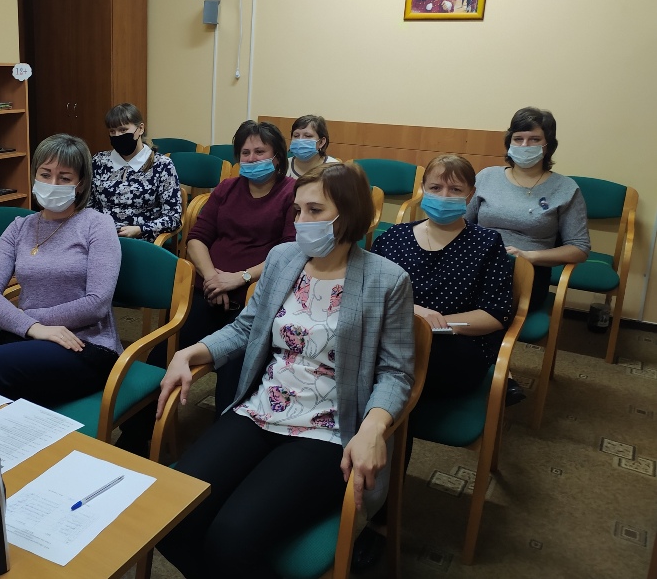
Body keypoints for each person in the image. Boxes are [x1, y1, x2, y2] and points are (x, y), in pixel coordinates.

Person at [155, 162, 415, 579]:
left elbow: (396, 372)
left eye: (315, 210)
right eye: (297, 211)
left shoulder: (387, 279)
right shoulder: (282, 258)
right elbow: (246, 328)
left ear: (348, 213)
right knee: (170, 512)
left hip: (328, 428)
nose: (301, 222)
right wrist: (191, 352)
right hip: (262, 408)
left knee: (232, 538)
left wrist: (372, 428)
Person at [351, 154, 514, 573]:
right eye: (436, 187)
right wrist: (414, 313)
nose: (444, 196)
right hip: (390, 344)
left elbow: (495, 314)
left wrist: (436, 325)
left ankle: (381, 521)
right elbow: (366, 291)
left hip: (453, 353)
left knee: (393, 399)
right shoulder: (393, 237)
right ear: (423, 189)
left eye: (455, 189)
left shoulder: (487, 244)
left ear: (471, 196)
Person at [0, 134, 122, 406]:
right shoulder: (19, 227)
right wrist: (34, 328)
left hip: (85, 344)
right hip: (27, 335)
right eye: (45, 175)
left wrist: (31, 319)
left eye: (64, 178)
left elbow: (97, 304)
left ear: (81, 184)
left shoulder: (97, 225)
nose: (52, 184)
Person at [466, 107, 590, 402]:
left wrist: (529, 256)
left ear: (548, 145)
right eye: (518, 138)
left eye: (534, 139)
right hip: (478, 261)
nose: (525, 146)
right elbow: (464, 223)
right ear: (509, 141)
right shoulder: (487, 176)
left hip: (525, 273)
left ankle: (495, 370)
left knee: (476, 298)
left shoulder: (566, 188)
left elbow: (579, 247)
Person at [182, 119, 297, 412]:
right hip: (209, 291)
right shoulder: (227, 188)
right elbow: (196, 239)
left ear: (277, 157)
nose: (252, 158)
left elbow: (289, 252)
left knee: (234, 375)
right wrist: (212, 278)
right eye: (245, 153)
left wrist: (240, 278)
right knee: (164, 354)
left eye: (260, 152)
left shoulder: (292, 193)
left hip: (254, 299)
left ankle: (223, 430)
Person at [89, 102, 182, 243]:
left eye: (123, 130)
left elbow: (173, 218)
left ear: (140, 129)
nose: (117, 135)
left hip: (141, 241)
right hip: (101, 237)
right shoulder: (99, 161)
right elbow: (87, 206)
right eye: (112, 131)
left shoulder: (162, 165)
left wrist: (140, 229)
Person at [286, 114, 340, 178]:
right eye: (296, 136)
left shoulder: (336, 169)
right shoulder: (282, 166)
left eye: (307, 136)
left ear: (321, 142)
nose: (300, 140)